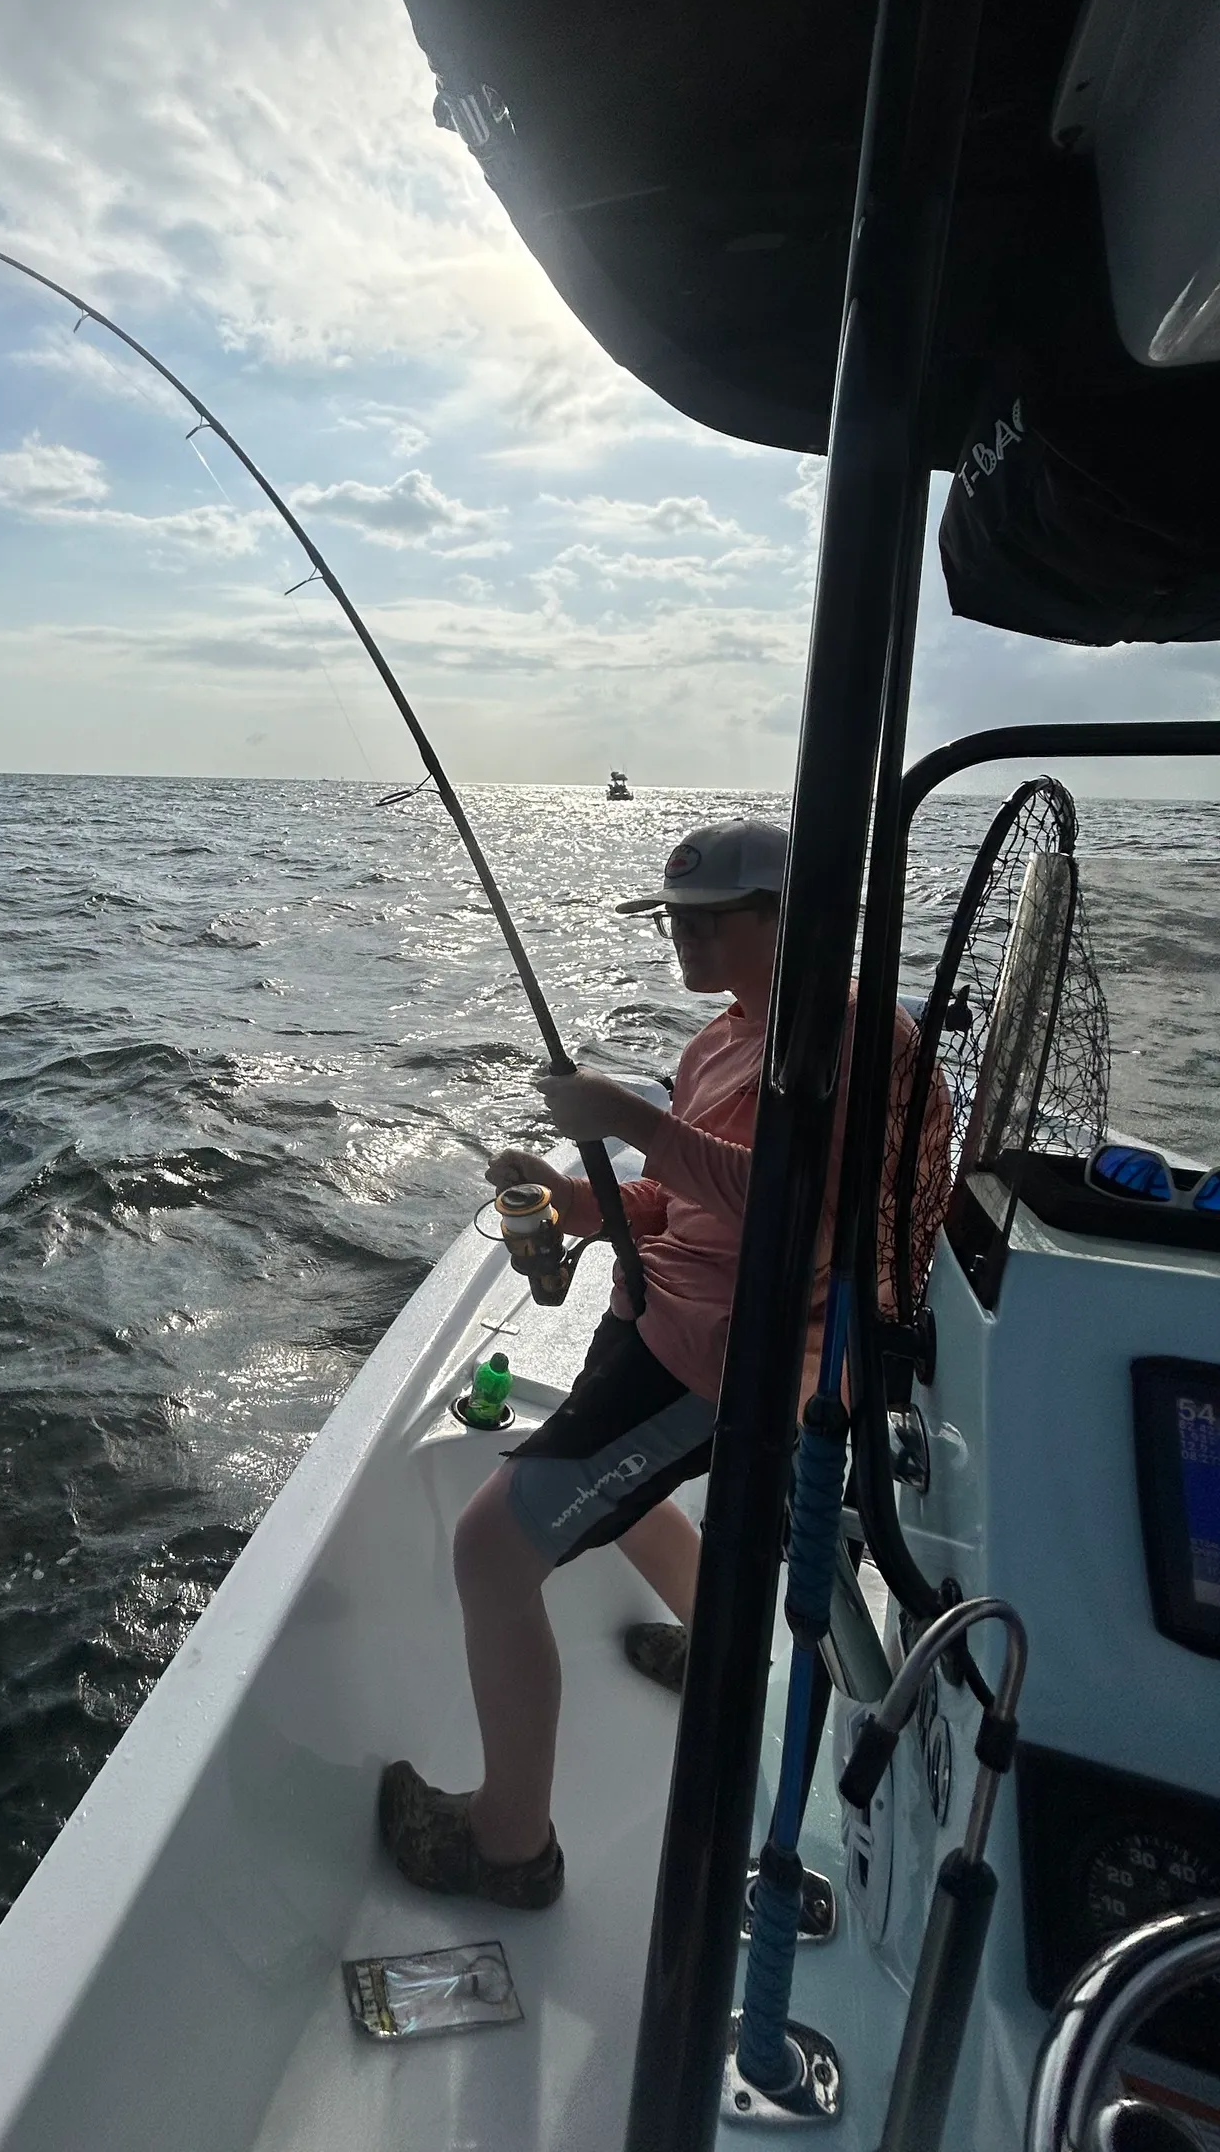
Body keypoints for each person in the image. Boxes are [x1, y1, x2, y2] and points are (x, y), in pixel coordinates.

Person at [378, 815, 946, 1910]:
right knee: (625, 1495)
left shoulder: (864, 1043)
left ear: (790, 921)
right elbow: (684, 1191)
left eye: (708, 920)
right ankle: (717, 1651)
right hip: (660, 1311)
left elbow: (807, 1208)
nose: (681, 938)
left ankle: (509, 1845)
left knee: (491, 1552)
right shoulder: (728, 1033)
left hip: (727, 1359)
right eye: (672, 918)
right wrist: (585, 1198)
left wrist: (627, 1114)